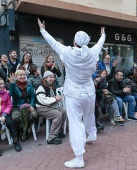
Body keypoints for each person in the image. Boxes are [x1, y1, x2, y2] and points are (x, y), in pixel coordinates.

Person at [38, 18, 106, 168]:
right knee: (89, 114)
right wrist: (103, 35)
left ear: (74, 41)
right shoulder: (92, 53)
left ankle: (79, 158)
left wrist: (43, 30)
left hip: (74, 93)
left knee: (76, 124)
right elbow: (100, 44)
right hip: (88, 92)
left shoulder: (67, 52)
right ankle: (92, 134)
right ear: (86, 42)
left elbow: (53, 43)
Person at [36, 71, 66, 144]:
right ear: (45, 78)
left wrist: (57, 98)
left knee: (63, 111)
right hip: (42, 108)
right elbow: (43, 100)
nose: (52, 79)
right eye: (50, 77)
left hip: (50, 106)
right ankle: (51, 137)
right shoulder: (41, 87)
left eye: (53, 77)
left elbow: (53, 98)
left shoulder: (52, 86)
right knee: (58, 115)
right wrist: (55, 99)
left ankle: (58, 131)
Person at [9, 70, 37, 141]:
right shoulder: (13, 84)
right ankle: (19, 130)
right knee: (16, 117)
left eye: (24, 75)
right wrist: (12, 84)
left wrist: (31, 105)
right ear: (16, 76)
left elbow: (32, 97)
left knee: (34, 115)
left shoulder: (29, 84)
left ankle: (24, 129)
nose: (23, 76)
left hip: (27, 106)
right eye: (20, 75)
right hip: (16, 107)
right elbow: (11, 94)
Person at [0, 78, 22, 153]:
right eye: (0, 84)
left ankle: (15, 142)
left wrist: (4, 115)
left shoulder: (7, 93)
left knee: (10, 123)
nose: (2, 85)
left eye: (3, 83)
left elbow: (9, 105)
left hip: (5, 113)